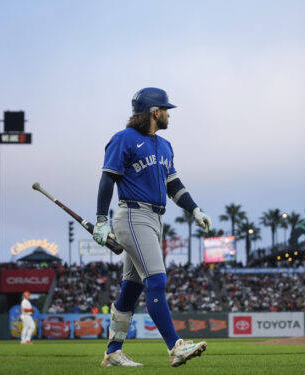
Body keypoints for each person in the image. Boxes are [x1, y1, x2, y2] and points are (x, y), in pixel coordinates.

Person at [93, 87, 212, 367]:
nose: (169, 114)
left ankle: (113, 353)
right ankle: (176, 347)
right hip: (133, 216)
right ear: (154, 112)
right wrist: (101, 220)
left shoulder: (165, 145)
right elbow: (107, 180)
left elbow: (174, 186)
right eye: (166, 109)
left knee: (131, 290)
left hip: (155, 219)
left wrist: (194, 208)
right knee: (156, 280)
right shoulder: (124, 139)